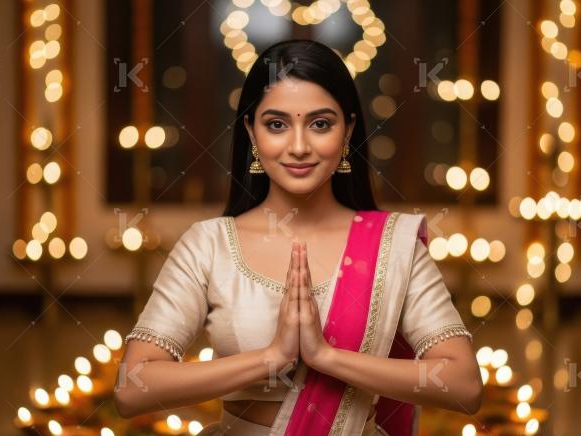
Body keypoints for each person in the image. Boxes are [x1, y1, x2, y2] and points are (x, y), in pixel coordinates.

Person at [114, 39, 482, 435]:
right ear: (251, 132)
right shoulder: (208, 245)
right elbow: (132, 388)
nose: (299, 146)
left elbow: (464, 386)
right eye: (277, 124)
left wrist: (327, 357)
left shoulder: (394, 245)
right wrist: (272, 357)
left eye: (320, 124)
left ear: (348, 130)